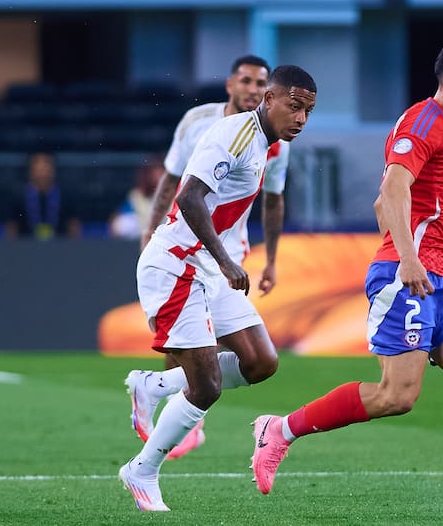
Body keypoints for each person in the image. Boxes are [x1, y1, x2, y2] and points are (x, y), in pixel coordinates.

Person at [249, 37, 443, 521]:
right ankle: (279, 430)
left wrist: (410, 241)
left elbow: (384, 202)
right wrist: (407, 258)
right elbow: (392, 188)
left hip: (442, 281)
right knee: (397, 396)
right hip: (408, 276)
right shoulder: (425, 121)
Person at [118, 65, 317, 512]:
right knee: (205, 386)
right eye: (294, 106)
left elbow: (266, 201)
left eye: (308, 111)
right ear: (269, 99)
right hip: (177, 266)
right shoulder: (237, 136)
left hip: (207, 267)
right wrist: (227, 261)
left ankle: (154, 385)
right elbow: (187, 197)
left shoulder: (267, 144)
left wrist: (236, 261)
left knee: (262, 361)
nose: (301, 119)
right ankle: (142, 469)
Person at [133, 55, 291, 459]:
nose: (253, 88)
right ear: (230, 85)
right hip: (190, 252)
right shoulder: (202, 124)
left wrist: (269, 259)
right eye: (247, 81)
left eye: (260, 82)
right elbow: (175, 183)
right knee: (197, 364)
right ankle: (177, 427)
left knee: (259, 361)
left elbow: (273, 200)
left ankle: (163, 391)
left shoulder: (275, 142)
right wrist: (150, 232)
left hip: (226, 256)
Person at [5, 152, 81, 240]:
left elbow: (75, 232)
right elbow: (10, 233)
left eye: (46, 164)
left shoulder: (67, 196)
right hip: (25, 249)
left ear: (53, 169)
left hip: (60, 249)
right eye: (37, 165)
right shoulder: (18, 197)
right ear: (30, 169)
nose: (42, 170)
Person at [109, 156, 165, 240]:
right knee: (123, 223)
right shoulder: (137, 195)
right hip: (141, 234)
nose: (159, 176)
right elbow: (117, 220)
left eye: (161, 172)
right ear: (148, 175)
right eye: (155, 172)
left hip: (164, 233)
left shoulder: (174, 194)